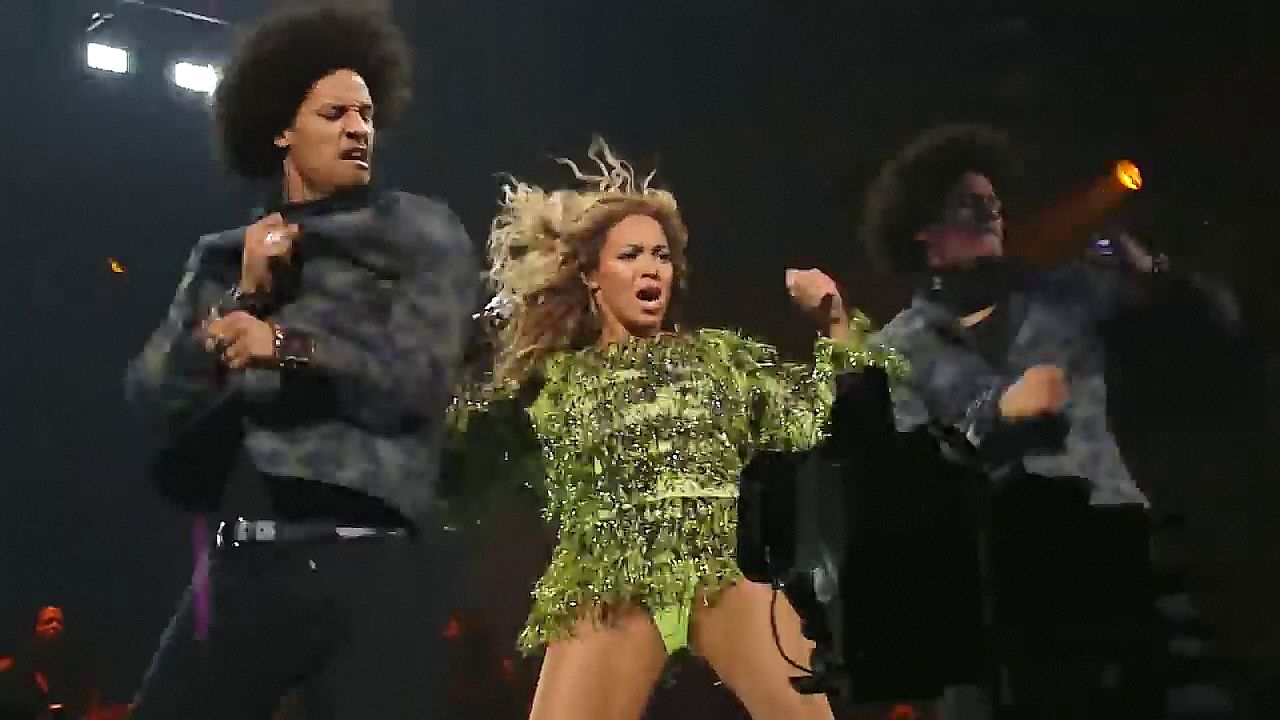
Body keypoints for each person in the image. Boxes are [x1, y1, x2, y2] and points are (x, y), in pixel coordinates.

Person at [447, 138, 904, 720]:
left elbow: (818, 417)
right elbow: (470, 446)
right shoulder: (556, 377)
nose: (650, 268)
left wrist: (835, 323)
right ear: (591, 276)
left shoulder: (718, 359)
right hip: (609, 577)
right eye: (630, 254)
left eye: (661, 256)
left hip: (722, 568)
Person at [124, 5, 476, 718]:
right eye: (334, 113)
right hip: (244, 563)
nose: (358, 129)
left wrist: (284, 347)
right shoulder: (225, 256)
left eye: (367, 114)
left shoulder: (420, 233)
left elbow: (421, 378)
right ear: (282, 128)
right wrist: (244, 295)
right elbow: (155, 396)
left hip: (372, 567)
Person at [859, 124, 1238, 718]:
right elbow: (906, 468)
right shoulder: (893, 351)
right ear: (924, 230)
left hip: (1118, 566)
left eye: (994, 203)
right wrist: (996, 415)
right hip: (994, 600)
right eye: (968, 203)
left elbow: (1212, 326)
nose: (991, 214)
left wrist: (1154, 273)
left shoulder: (1067, 293)